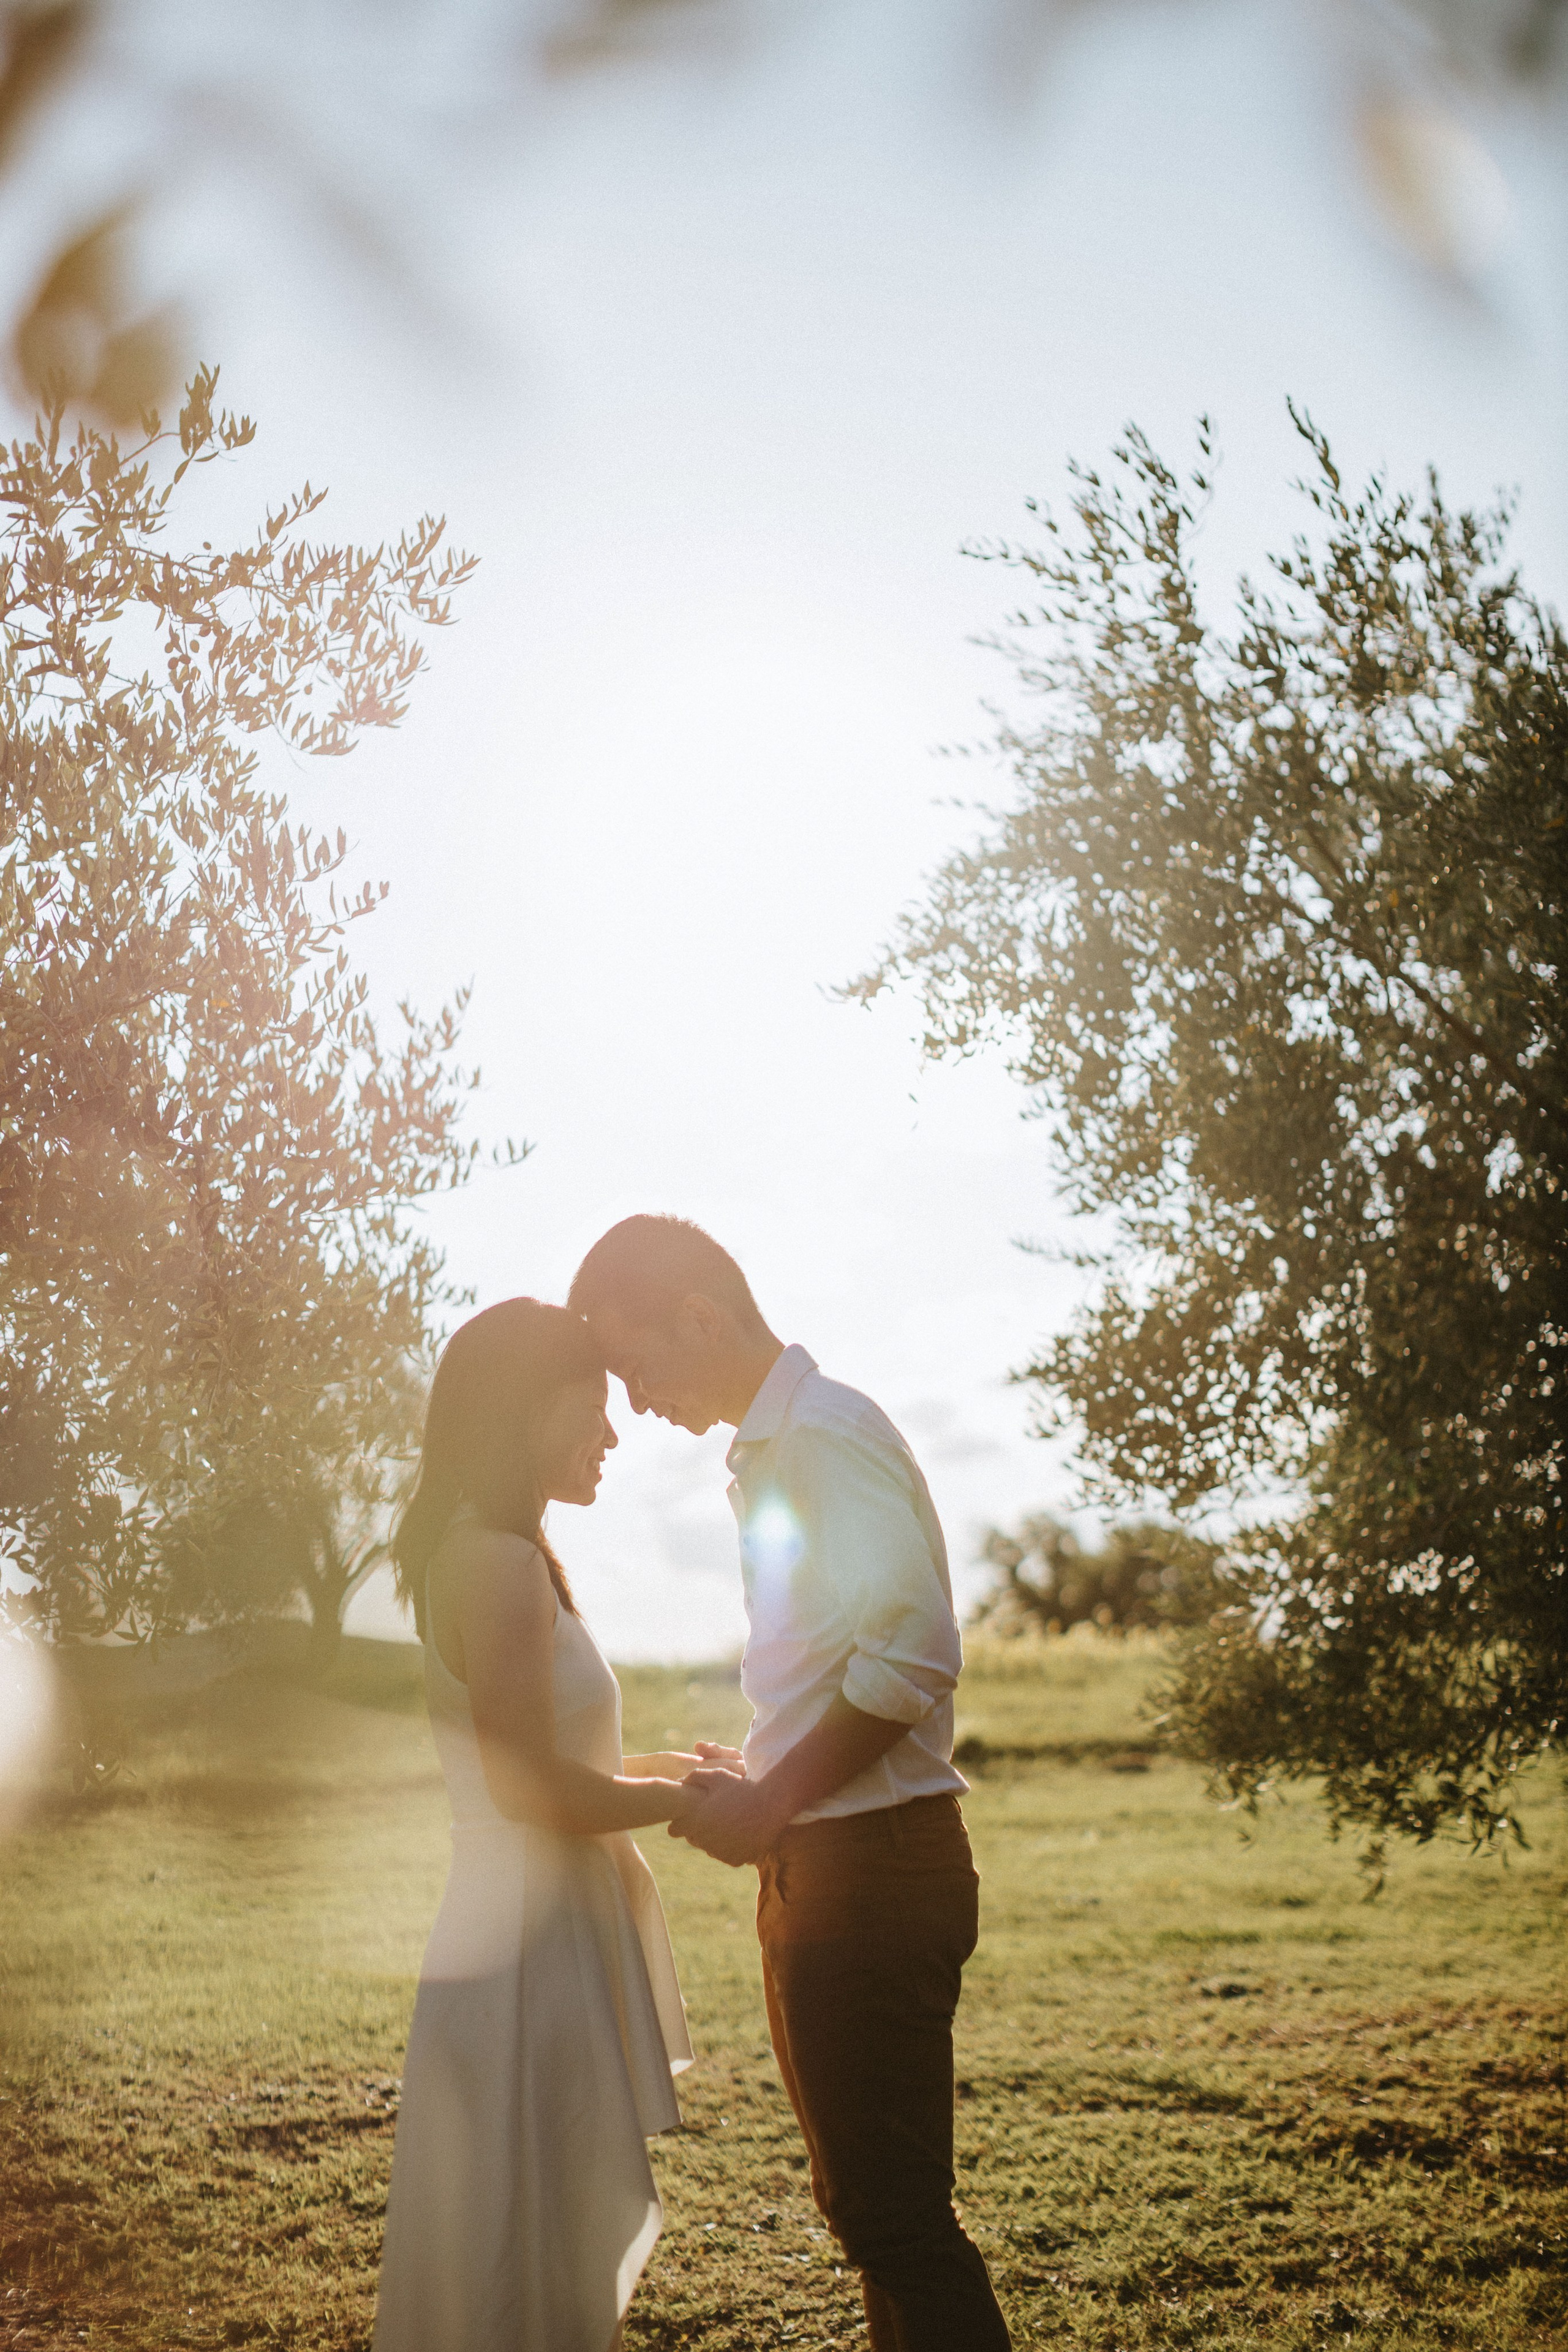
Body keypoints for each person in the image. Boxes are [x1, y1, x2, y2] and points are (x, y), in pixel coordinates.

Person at [568, 1218, 1014, 2352]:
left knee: (896, 2221)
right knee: (874, 2218)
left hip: (871, 1872)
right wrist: (764, 1775)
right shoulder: (780, 1449)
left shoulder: (823, 1437)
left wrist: (772, 1801)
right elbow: (843, 1659)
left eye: (635, 1365)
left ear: (701, 1319)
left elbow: (912, 1652)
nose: (632, 1403)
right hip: (832, 1864)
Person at [372, 1298, 729, 2352]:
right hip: (527, 1945)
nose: (615, 1436)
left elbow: (551, 1764)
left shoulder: (497, 1554)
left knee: (521, 2230)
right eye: (594, 1408)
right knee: (522, 2246)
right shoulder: (495, 1561)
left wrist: (679, 1767)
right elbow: (530, 1791)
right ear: (526, 1408)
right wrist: (683, 1807)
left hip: (528, 1924)